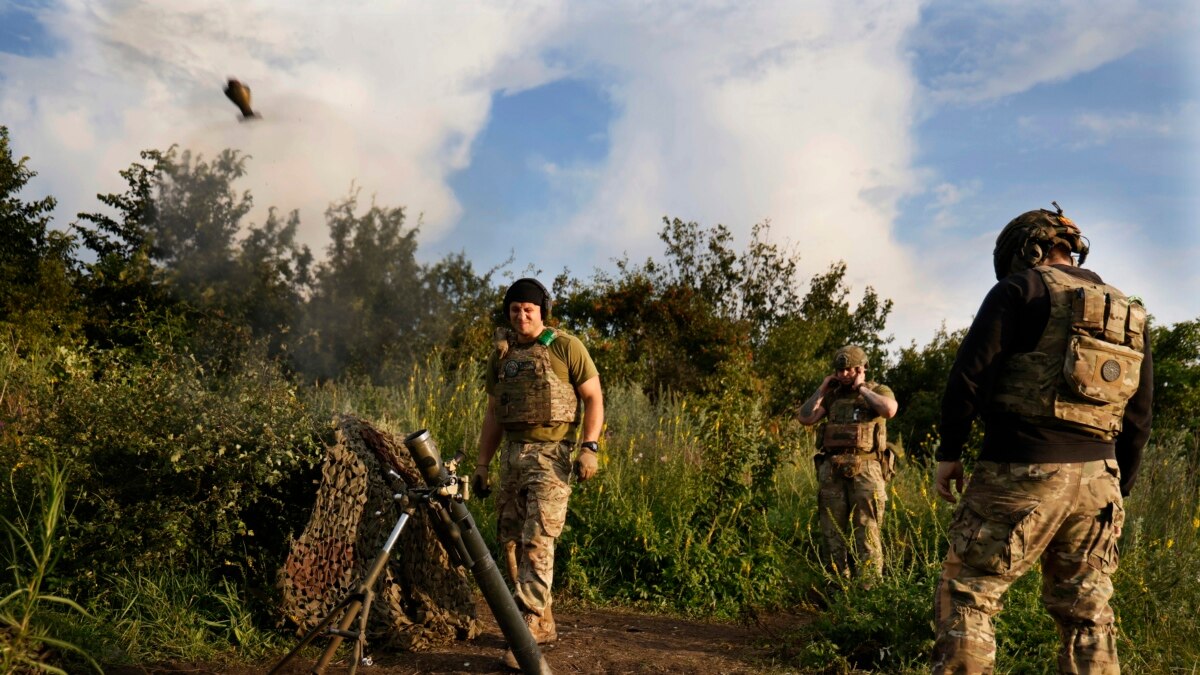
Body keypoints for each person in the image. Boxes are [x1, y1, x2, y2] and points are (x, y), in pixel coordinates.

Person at [932, 204, 1153, 674]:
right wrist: (1118, 487)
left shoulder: (1018, 289)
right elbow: (1139, 415)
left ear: (1026, 248)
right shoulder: (1130, 312)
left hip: (1020, 469)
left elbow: (968, 380)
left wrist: (948, 453)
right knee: (1088, 617)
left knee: (970, 595)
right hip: (1100, 485)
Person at [471, 277, 604, 668]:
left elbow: (594, 397)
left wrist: (589, 447)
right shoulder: (502, 355)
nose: (522, 315)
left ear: (542, 311)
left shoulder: (566, 346)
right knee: (510, 538)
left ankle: (528, 624)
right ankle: (541, 619)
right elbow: (494, 413)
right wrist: (482, 463)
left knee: (537, 538)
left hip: (552, 454)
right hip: (512, 453)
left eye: (529, 309)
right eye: (515, 310)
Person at [797, 344, 899, 579]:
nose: (844, 374)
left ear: (862, 368)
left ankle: (868, 592)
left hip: (867, 470)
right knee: (832, 533)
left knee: (868, 532)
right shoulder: (832, 396)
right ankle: (836, 590)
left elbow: (889, 410)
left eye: (850, 370)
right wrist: (822, 389)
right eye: (839, 370)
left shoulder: (878, 390)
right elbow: (805, 418)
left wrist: (862, 388)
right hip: (832, 471)